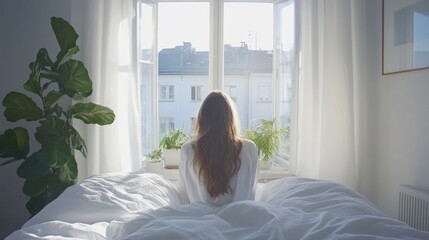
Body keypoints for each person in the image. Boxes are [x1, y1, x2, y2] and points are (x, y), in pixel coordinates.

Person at [177, 90, 258, 206]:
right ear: (230, 119)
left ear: (202, 118)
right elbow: (251, 196)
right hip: (238, 220)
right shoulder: (249, 149)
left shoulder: (187, 150)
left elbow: (183, 197)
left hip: (198, 220)